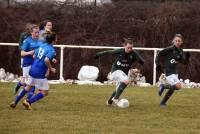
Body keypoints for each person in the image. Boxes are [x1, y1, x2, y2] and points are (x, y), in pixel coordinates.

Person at [10, 33, 57, 110]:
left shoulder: (42, 45)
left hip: (32, 69)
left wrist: (51, 59)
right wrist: (51, 68)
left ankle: (15, 102)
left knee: (28, 87)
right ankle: (28, 102)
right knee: (45, 92)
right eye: (56, 38)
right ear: (53, 41)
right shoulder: (51, 49)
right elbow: (46, 59)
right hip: (40, 72)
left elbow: (35, 55)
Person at [94, 38, 144, 106]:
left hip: (123, 74)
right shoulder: (119, 51)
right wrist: (98, 54)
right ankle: (116, 99)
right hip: (115, 71)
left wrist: (141, 62)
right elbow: (108, 52)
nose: (130, 49)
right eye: (128, 48)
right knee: (127, 80)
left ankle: (109, 102)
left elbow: (141, 61)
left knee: (118, 89)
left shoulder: (134, 53)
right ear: (125, 46)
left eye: (131, 48)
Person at [155, 34, 190, 107]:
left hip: (174, 72)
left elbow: (184, 62)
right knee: (178, 86)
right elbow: (159, 53)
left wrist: (187, 58)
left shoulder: (180, 50)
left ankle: (163, 86)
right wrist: (158, 64)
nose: (177, 42)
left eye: (179, 41)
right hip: (169, 71)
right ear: (173, 41)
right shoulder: (170, 49)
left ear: (181, 42)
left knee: (177, 87)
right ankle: (162, 102)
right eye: (176, 41)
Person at [13, 24, 41, 100]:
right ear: (31, 32)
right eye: (36, 32)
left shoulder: (40, 41)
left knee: (33, 81)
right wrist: (29, 53)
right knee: (25, 82)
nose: (37, 34)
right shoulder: (27, 40)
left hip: (35, 64)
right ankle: (19, 85)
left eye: (38, 32)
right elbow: (22, 54)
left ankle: (28, 100)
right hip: (27, 64)